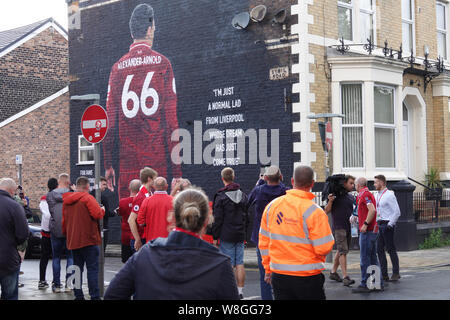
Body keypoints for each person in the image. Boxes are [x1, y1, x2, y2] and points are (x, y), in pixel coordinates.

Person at [103, 2, 182, 200]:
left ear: (132, 33)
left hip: (127, 165)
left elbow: (110, 123)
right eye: (153, 26)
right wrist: (177, 173)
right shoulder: (163, 63)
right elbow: (172, 123)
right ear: (149, 29)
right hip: (156, 165)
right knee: (157, 224)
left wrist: (107, 164)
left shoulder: (117, 68)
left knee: (129, 222)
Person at [104, 188, 239, 300]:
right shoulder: (219, 263)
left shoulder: (145, 254)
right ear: (206, 221)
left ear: (172, 217)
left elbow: (112, 295)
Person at [259, 165, 334, 300]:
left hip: (279, 275)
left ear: (292, 181)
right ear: (312, 183)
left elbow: (264, 243)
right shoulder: (315, 212)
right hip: (308, 276)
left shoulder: (272, 207)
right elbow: (323, 247)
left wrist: (267, 269)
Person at [247, 165, 288, 300]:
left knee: (265, 274)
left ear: (265, 178)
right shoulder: (286, 192)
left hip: (262, 238)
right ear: (281, 177)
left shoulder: (258, 191)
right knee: (282, 273)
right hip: (282, 237)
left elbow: (247, 203)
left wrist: (259, 183)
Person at [62, 176, 105, 300]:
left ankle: (78, 295)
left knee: (76, 269)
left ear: (76, 186)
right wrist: (102, 210)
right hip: (89, 239)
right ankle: (95, 296)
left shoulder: (67, 201)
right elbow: (97, 214)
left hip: (73, 240)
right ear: (87, 187)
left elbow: (64, 222)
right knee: (92, 269)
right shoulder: (87, 198)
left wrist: (67, 235)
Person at [212, 167, 248, 299]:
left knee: (229, 264)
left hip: (226, 234)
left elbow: (217, 218)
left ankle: (231, 292)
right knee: (240, 263)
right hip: (240, 233)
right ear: (233, 177)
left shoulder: (221, 196)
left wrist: (215, 236)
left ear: (223, 179)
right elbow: (247, 216)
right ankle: (240, 291)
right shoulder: (243, 195)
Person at [351, 177, 383, 293]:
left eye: (355, 184)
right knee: (373, 258)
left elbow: (372, 210)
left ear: (359, 185)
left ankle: (365, 284)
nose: (354, 186)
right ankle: (378, 283)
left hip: (368, 231)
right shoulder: (366, 194)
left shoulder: (364, 195)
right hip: (372, 231)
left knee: (365, 258)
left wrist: (365, 224)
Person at [324, 175, 356, 287]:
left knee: (341, 250)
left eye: (354, 183)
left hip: (349, 228)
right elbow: (326, 211)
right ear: (344, 183)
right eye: (351, 183)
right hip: (339, 228)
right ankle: (345, 277)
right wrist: (331, 201)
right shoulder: (335, 197)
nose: (353, 185)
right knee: (343, 252)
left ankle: (333, 272)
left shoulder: (350, 197)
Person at [0, 178, 29, 300]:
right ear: (12, 191)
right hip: (8, 259)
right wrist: (19, 249)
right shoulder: (15, 206)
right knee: (10, 295)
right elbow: (22, 234)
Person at [46, 173, 73, 293]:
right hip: (70, 229)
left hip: (55, 229)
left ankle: (56, 285)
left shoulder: (50, 195)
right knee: (71, 257)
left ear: (58, 181)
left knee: (56, 257)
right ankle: (69, 285)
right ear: (68, 182)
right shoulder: (73, 195)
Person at [374, 174, 401, 282]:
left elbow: (397, 212)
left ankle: (396, 273)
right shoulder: (376, 195)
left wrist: (390, 225)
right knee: (379, 249)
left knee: (391, 249)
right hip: (379, 224)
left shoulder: (389, 195)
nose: (374, 184)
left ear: (382, 183)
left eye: (376, 182)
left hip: (387, 225)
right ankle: (384, 274)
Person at [128, 167, 157, 252]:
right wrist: (137, 239)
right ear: (149, 179)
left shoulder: (149, 194)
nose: (156, 181)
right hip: (141, 238)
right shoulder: (141, 197)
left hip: (146, 236)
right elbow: (131, 220)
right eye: (154, 179)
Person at [137, 177, 173, 242]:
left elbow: (140, 221)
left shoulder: (147, 201)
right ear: (166, 186)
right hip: (169, 240)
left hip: (152, 240)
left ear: (154, 186)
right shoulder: (174, 201)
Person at [38, 178, 58, 289]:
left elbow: (46, 215)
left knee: (45, 257)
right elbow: (48, 215)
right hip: (54, 232)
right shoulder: (54, 198)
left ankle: (42, 280)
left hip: (45, 232)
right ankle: (55, 281)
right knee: (55, 257)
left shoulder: (44, 199)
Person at [117, 179, 141, 263]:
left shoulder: (122, 202)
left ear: (129, 188)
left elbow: (121, 213)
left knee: (127, 263)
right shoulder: (143, 201)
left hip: (126, 236)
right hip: (138, 235)